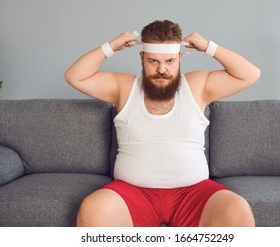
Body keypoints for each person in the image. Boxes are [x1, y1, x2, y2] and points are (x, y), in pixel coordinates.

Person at [65, 20, 260, 227]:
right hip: (132, 193)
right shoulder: (123, 87)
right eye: (153, 61)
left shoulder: (197, 86)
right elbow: (75, 77)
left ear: (180, 58)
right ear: (141, 57)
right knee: (93, 209)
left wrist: (209, 47)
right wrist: (111, 47)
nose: (161, 69)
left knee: (237, 210)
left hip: (193, 193)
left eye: (169, 61)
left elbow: (250, 74)